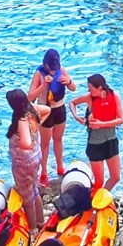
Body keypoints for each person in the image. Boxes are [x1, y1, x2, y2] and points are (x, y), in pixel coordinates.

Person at [28, 49, 76, 187]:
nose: (54, 70)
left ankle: (60, 166)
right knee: (45, 143)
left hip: (59, 109)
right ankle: (44, 171)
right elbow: (30, 97)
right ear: (46, 64)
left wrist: (68, 81)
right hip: (45, 110)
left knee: (58, 139)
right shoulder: (39, 74)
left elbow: (73, 88)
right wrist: (43, 85)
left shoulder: (62, 70)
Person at [71, 73, 123, 192]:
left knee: (115, 177)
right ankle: (93, 202)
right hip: (95, 145)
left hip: (111, 141)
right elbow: (72, 103)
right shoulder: (89, 97)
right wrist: (76, 117)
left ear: (99, 88)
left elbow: (121, 120)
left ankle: (101, 197)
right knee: (99, 181)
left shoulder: (114, 95)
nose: (88, 90)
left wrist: (101, 124)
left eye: (90, 88)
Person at [5, 89, 44, 230]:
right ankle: (41, 221)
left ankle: (33, 230)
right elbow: (47, 110)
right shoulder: (32, 110)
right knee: (34, 190)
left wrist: (21, 145)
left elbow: (26, 143)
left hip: (24, 163)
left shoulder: (22, 120)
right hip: (35, 156)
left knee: (27, 200)